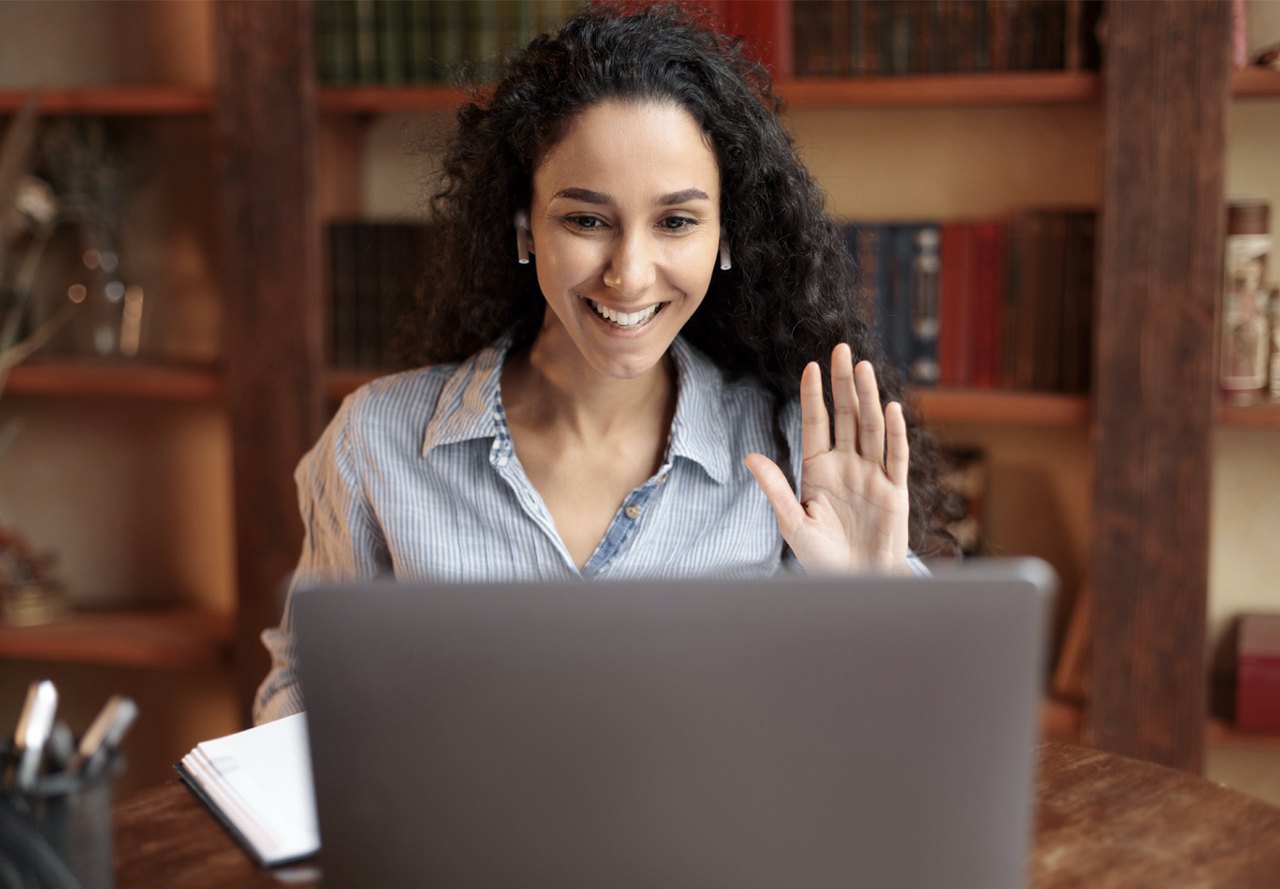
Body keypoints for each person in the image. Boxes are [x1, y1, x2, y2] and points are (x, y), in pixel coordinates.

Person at [253, 2, 956, 724]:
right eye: (586, 219)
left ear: (726, 238)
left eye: (676, 221)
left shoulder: (789, 454)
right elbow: (304, 685)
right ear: (525, 228)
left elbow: (893, 736)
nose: (630, 274)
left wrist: (874, 604)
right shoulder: (378, 442)